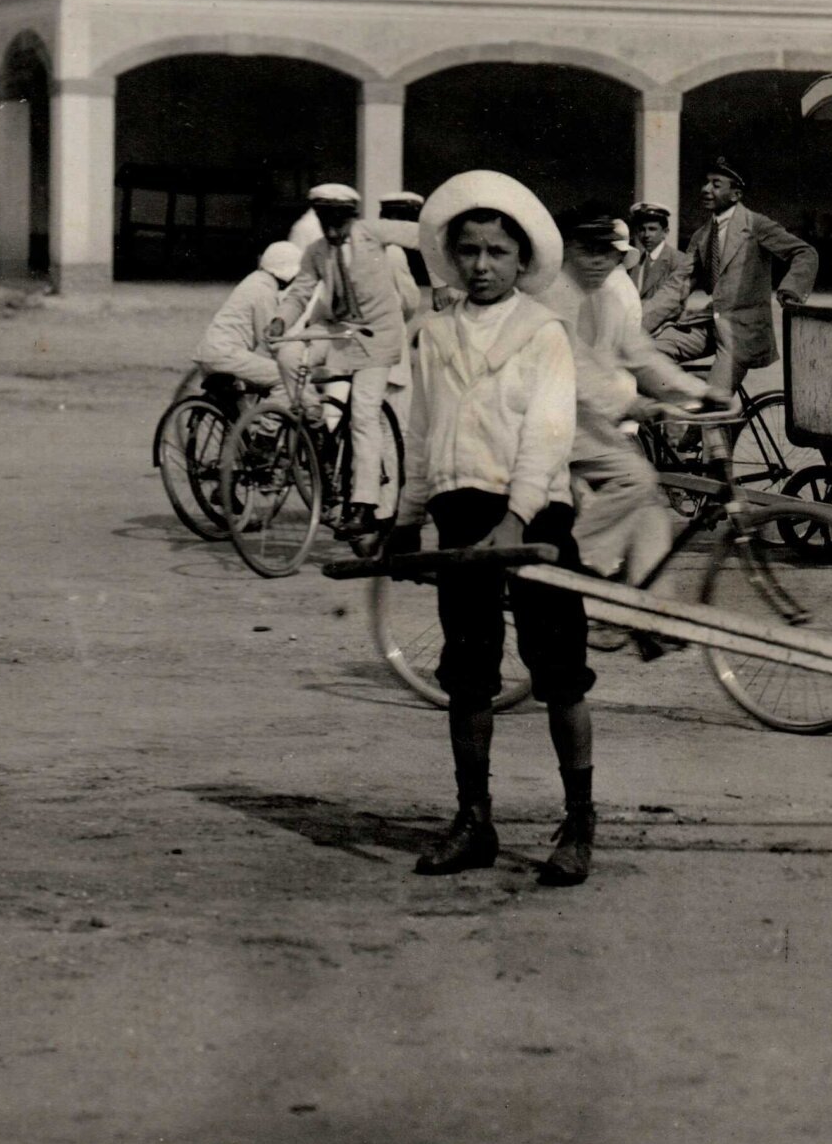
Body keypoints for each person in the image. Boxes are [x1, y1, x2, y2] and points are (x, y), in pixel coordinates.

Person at [383, 171, 594, 883]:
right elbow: (421, 432)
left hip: (537, 516)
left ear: (521, 260)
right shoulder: (432, 333)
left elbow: (548, 431)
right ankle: (474, 820)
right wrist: (407, 519)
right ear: (451, 255)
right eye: (469, 250)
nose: (481, 264)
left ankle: (579, 822)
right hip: (460, 514)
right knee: (468, 674)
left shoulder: (543, 333)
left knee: (558, 669)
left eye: (497, 251)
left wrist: (517, 516)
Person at [548, 202, 710, 599]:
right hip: (547, 421)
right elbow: (575, 372)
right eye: (590, 250)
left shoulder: (606, 297)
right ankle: (572, 571)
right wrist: (633, 406)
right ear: (566, 248)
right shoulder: (552, 296)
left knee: (649, 499)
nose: (601, 262)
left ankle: (653, 609)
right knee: (634, 478)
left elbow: (640, 355)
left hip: (584, 421)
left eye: (610, 253)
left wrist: (699, 391)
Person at [269, 183, 409, 542]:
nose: (331, 230)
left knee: (363, 413)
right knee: (288, 353)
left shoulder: (372, 233)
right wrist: (281, 320)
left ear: (351, 217)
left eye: (337, 221)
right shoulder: (315, 251)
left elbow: (424, 235)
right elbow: (300, 292)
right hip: (337, 331)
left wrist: (444, 281)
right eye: (323, 219)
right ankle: (314, 420)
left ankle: (364, 505)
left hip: (376, 335)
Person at [684, 159, 818, 402]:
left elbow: (805, 252)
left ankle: (701, 436)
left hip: (742, 333)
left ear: (736, 194)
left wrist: (791, 290)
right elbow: (679, 283)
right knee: (652, 350)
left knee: (711, 407)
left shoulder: (756, 225)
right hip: (710, 323)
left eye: (716, 184)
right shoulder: (702, 235)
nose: (705, 189)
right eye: (705, 183)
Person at [194, 240, 305, 404]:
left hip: (212, 353)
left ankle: (241, 428)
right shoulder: (265, 291)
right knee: (285, 379)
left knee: (239, 412)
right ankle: (268, 428)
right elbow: (270, 340)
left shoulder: (254, 281)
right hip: (228, 356)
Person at [627, 203, 695, 342]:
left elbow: (673, 305)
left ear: (665, 232)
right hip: (634, 332)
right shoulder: (635, 262)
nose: (646, 235)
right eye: (642, 229)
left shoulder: (679, 261)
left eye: (652, 229)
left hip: (662, 333)